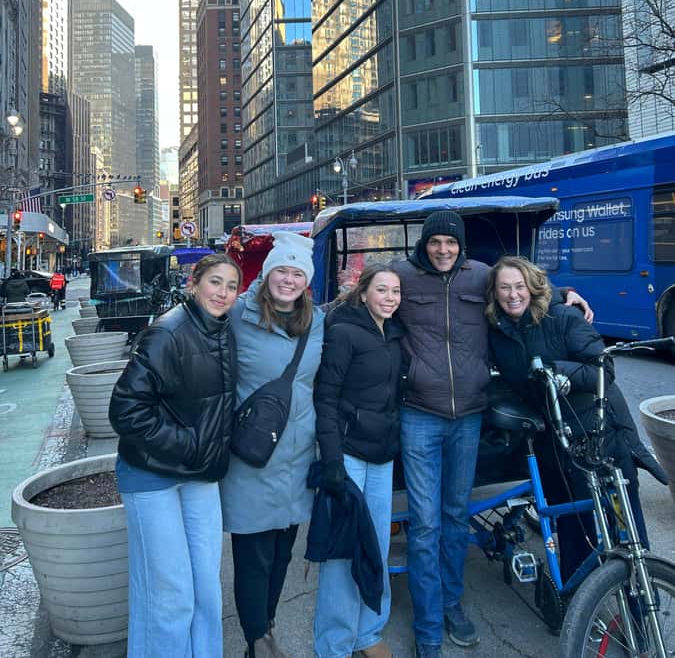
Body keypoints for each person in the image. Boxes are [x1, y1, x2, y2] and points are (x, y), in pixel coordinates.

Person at [392, 210, 592, 657]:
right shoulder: (401, 275)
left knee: (455, 515)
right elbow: (366, 299)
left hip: (467, 416)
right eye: (435, 242)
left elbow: (515, 290)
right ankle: (427, 626)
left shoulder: (480, 275)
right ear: (424, 244)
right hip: (419, 415)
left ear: (461, 245)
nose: (443, 249)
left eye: (451, 242)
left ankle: (451, 603)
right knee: (424, 524)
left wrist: (565, 294)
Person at [485, 255, 660, 581]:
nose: (512, 295)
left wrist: (555, 372)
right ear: (494, 293)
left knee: (622, 525)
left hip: (599, 434)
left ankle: (638, 608)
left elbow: (603, 370)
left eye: (519, 286)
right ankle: (580, 603)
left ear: (533, 287)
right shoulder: (497, 332)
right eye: (504, 288)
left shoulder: (563, 317)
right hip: (554, 440)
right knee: (571, 521)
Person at [109, 253, 240, 658]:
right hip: (151, 475)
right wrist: (191, 445)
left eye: (232, 286)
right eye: (215, 282)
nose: (223, 293)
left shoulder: (224, 331)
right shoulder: (166, 332)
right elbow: (125, 411)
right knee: (169, 596)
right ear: (194, 284)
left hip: (198, 474)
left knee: (205, 590)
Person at [220, 231, 325, 658]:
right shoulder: (236, 315)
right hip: (252, 453)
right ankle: (256, 639)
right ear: (265, 275)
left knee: (283, 550)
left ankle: (268, 623)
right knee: (253, 552)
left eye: (297, 273)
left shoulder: (316, 320)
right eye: (281, 270)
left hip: (298, 453)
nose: (288, 279)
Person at [313, 264, 405, 658]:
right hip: (349, 457)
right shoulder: (344, 331)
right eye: (382, 290)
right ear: (363, 292)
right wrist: (331, 458)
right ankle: (334, 643)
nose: (390, 298)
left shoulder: (396, 332)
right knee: (343, 552)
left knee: (376, 546)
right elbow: (326, 398)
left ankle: (368, 631)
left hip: (382, 457)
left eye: (396, 291)